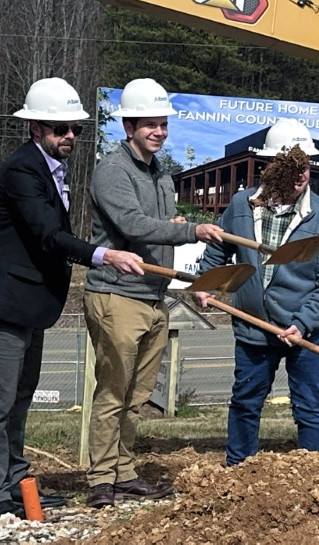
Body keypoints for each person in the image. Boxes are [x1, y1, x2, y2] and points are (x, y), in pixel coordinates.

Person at [0, 78, 144, 522]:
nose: (70, 137)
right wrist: (104, 255)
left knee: (20, 396)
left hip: (29, 303)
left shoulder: (48, 168)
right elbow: (48, 235)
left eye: (75, 129)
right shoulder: (23, 170)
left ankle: (16, 482)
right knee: (0, 398)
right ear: (34, 128)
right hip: (3, 301)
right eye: (59, 129)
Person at [83, 79, 222, 508]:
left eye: (163, 124)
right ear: (129, 126)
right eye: (150, 125)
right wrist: (190, 230)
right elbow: (133, 226)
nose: (159, 131)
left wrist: (175, 221)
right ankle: (100, 478)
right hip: (118, 296)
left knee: (137, 395)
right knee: (113, 391)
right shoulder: (113, 170)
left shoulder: (161, 171)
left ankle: (123, 471)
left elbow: (155, 222)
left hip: (151, 296)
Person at [195, 119, 319, 466]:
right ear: (270, 166)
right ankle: (238, 469)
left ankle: (315, 477)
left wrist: (305, 322)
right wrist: (208, 282)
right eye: (291, 166)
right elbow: (219, 251)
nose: (300, 175)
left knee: (312, 405)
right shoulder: (240, 206)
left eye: (306, 166)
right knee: (246, 401)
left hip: (305, 331)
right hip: (253, 326)